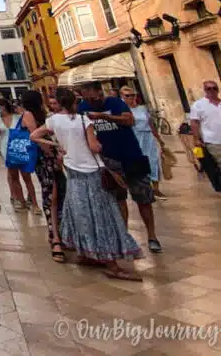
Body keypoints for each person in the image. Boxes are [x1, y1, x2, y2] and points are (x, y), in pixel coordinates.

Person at [32, 88, 142, 281]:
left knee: (80, 213)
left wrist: (58, 146)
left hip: (72, 172)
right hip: (92, 171)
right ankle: (112, 264)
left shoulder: (53, 121)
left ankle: (86, 253)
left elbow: (34, 136)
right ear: (74, 102)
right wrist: (99, 145)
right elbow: (94, 147)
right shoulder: (85, 120)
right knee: (102, 215)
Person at [78, 83, 161, 253]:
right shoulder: (82, 108)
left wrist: (104, 116)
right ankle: (124, 236)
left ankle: (152, 236)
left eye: (95, 97)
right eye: (88, 99)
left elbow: (129, 120)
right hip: (110, 161)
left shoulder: (115, 103)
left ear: (101, 93)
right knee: (118, 199)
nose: (93, 101)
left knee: (143, 198)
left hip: (132, 156)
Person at [21, 90, 66, 262]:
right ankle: (54, 236)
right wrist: (54, 154)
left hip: (51, 158)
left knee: (58, 194)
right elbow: (37, 138)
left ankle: (60, 232)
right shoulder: (30, 114)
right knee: (51, 195)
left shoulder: (43, 114)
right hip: (45, 159)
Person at [0, 95, 38, 212]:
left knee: (27, 177)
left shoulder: (18, 117)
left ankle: (34, 203)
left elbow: (28, 129)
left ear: (4, 105)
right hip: (5, 148)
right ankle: (21, 201)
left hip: (20, 148)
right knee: (13, 176)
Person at [123, 86, 166, 200]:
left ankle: (156, 188)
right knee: (140, 162)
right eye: (127, 95)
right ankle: (145, 187)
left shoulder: (142, 108)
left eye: (133, 95)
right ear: (122, 97)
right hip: (135, 137)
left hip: (148, 136)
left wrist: (159, 139)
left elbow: (151, 124)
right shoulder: (123, 111)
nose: (131, 97)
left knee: (154, 160)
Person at [190, 79, 221, 191]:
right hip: (212, 141)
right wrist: (196, 139)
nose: (212, 90)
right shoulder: (198, 105)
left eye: (215, 88)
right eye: (209, 88)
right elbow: (194, 122)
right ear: (205, 90)